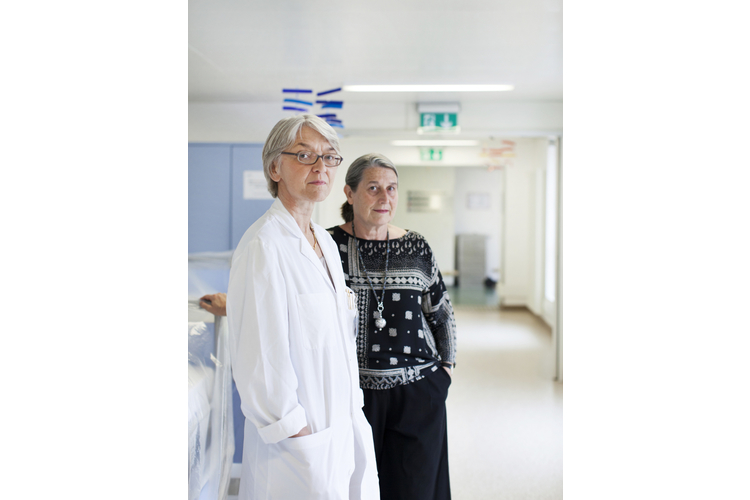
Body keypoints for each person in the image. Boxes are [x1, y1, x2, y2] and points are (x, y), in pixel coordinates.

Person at [225, 115, 379, 500]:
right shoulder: (264, 246)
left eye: (329, 158)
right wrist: (299, 437)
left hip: (339, 428)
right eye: (305, 155)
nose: (320, 167)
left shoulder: (324, 244)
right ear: (275, 167)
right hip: (296, 448)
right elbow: (260, 363)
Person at [327, 153, 457, 500]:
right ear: (350, 194)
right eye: (373, 188)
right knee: (355, 487)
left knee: (413, 488)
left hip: (416, 391)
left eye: (392, 189)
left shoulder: (416, 246)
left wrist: (445, 372)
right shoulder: (326, 247)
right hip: (350, 394)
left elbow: (441, 312)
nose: (385, 198)